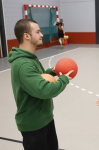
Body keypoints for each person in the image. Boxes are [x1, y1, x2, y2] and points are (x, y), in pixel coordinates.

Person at [8, 19, 73, 150]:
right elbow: (44, 90)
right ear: (26, 36)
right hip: (34, 124)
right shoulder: (24, 64)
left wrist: (52, 72)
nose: (42, 34)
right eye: (38, 32)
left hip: (45, 118)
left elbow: (39, 77)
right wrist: (64, 80)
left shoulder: (29, 58)